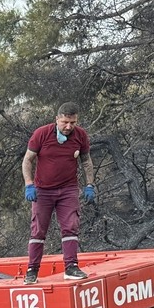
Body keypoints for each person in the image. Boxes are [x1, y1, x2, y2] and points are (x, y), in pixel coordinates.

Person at [21, 102, 96, 284]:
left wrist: (90, 185)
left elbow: (86, 161)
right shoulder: (42, 134)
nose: (69, 127)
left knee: (71, 226)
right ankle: (32, 270)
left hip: (68, 189)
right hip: (43, 190)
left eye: (73, 122)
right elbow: (27, 160)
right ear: (57, 119)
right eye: (65, 122)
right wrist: (29, 184)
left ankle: (71, 267)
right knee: (38, 229)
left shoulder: (80, 136)